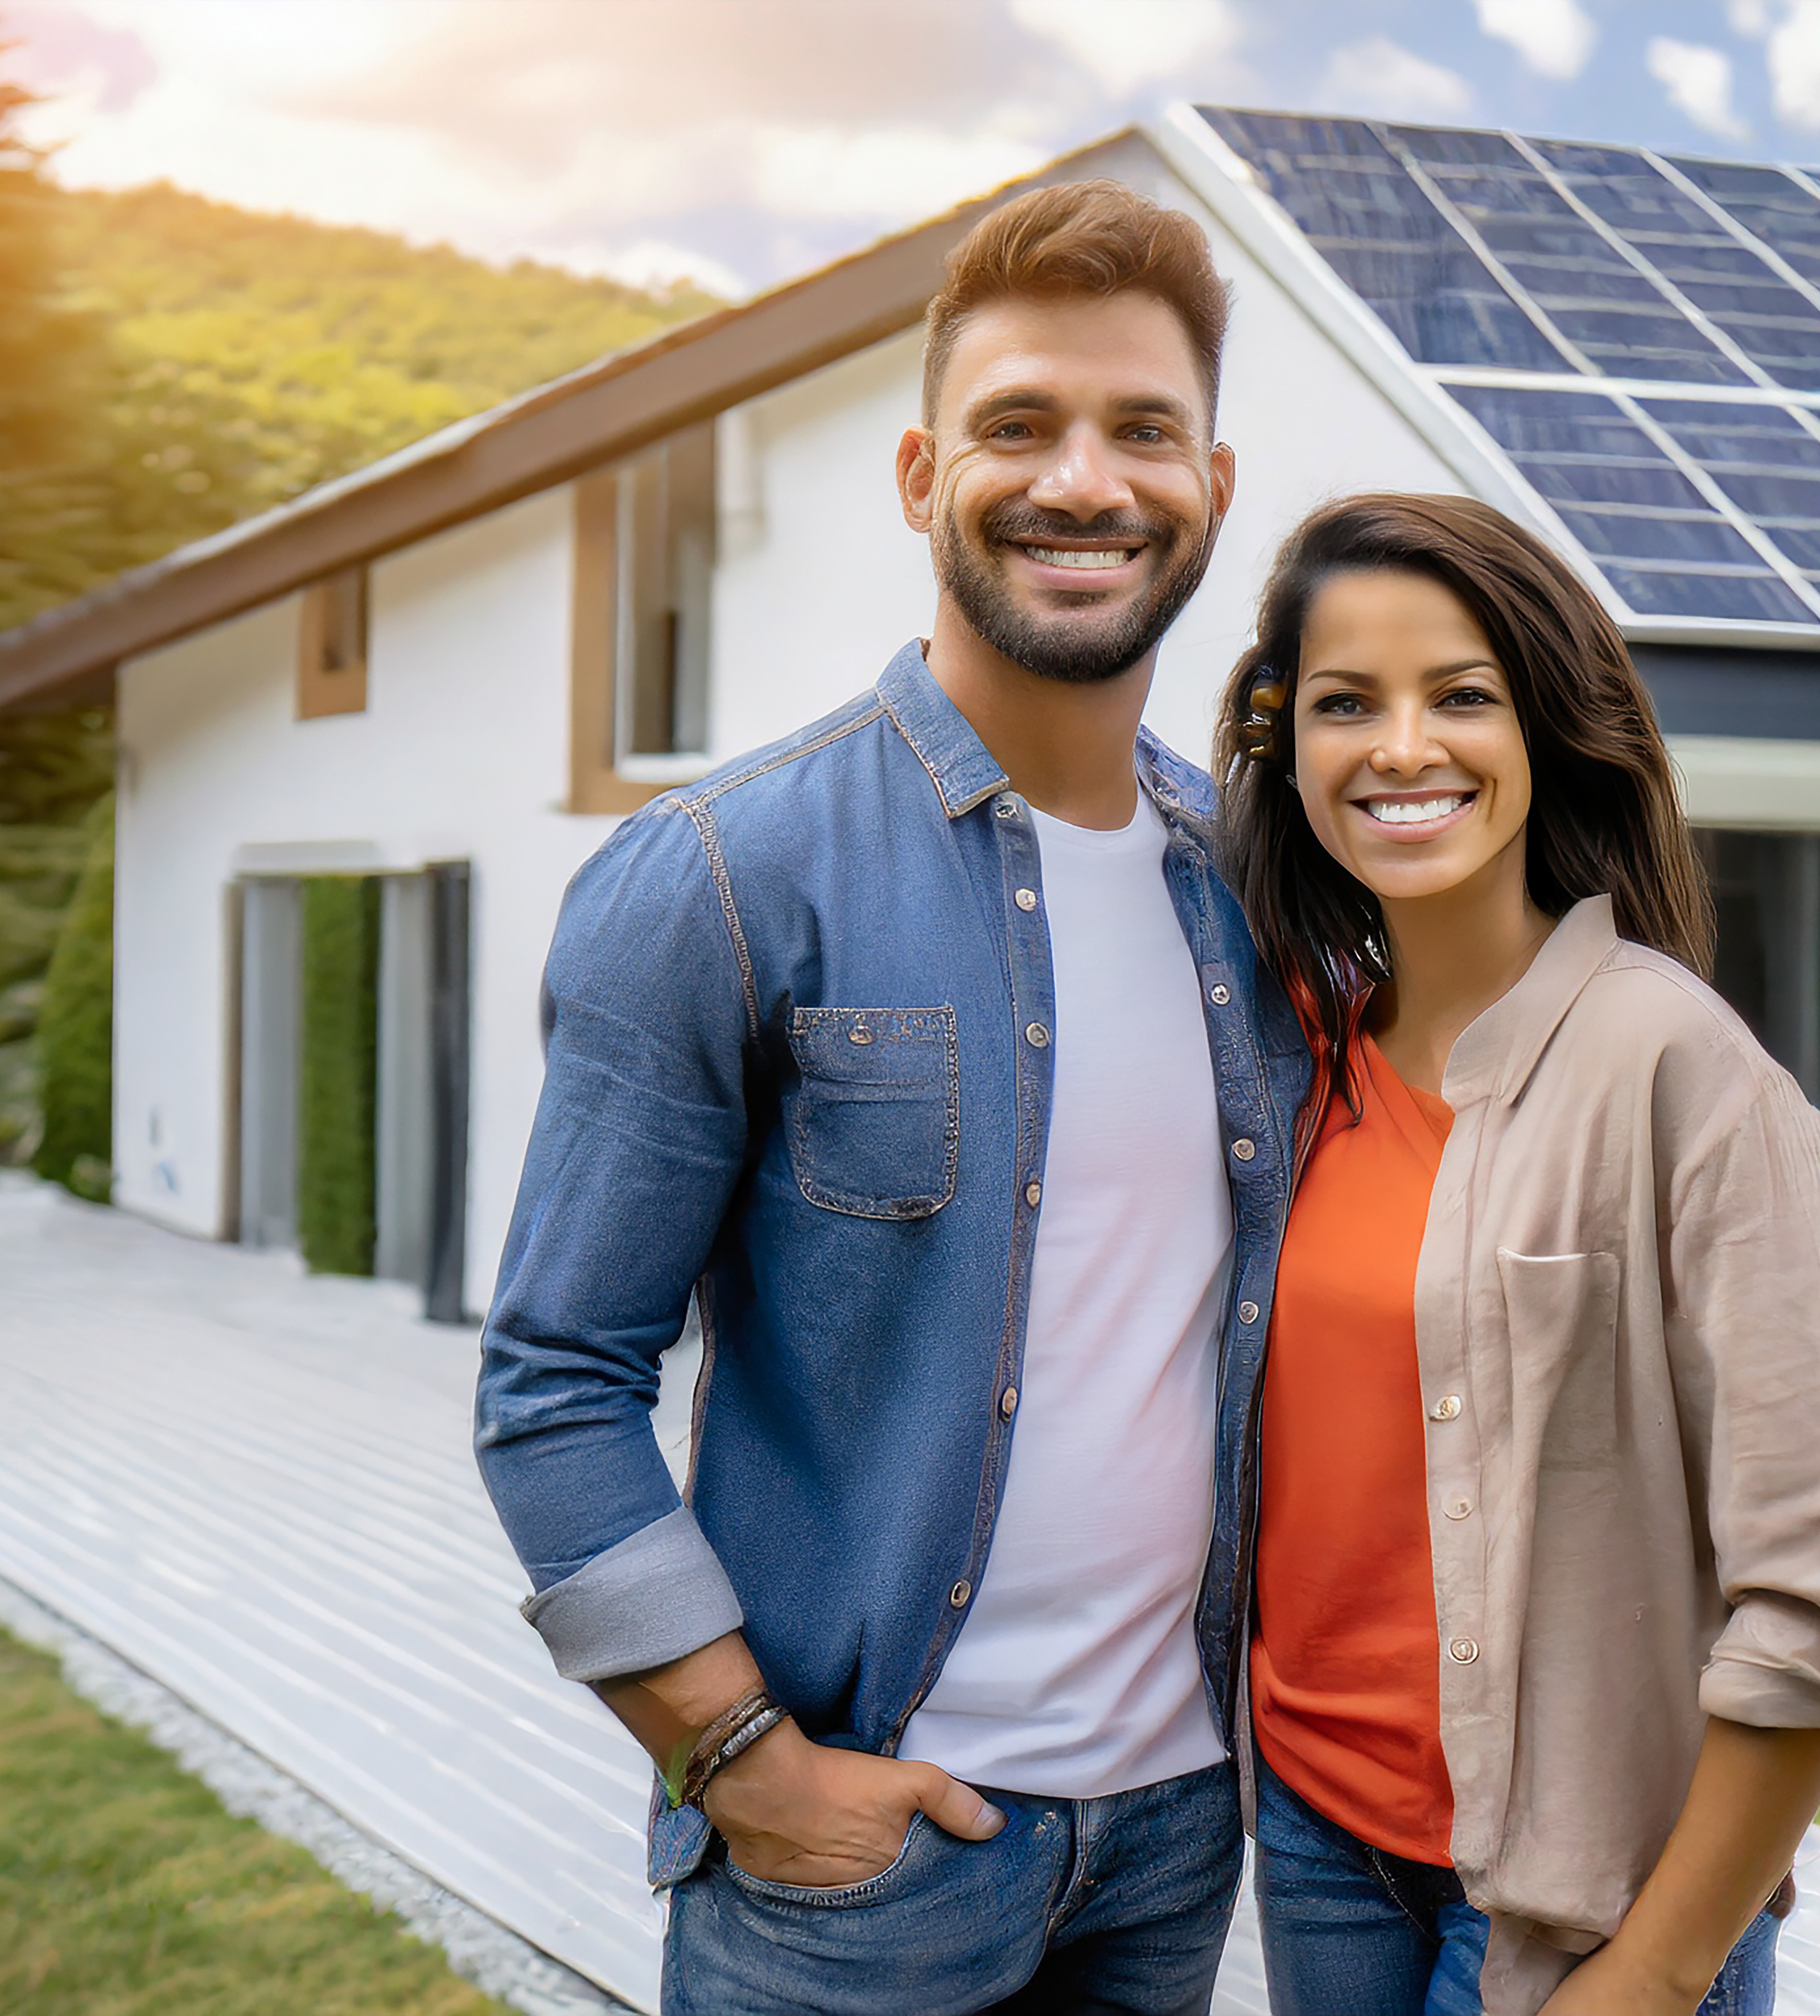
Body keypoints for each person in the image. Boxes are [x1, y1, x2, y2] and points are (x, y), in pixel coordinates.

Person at [473, 181, 1307, 2015]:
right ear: (924, 475)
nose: (1084, 480)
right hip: (858, 1870)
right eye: (1019, 425)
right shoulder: (720, 873)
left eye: (1143, 430)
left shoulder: (1264, 893)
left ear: (1214, 490)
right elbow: (554, 1382)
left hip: (1179, 1831)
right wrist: (740, 1763)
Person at [1215, 494, 1820, 2016]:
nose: (1402, 748)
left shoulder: (1683, 1073)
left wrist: (1659, 1974)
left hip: (1581, 1900)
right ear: (1292, 748)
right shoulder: (1286, 1065)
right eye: (1347, 703)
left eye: (1461, 695)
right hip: (1325, 1847)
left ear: (1543, 729)